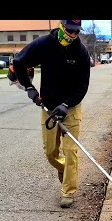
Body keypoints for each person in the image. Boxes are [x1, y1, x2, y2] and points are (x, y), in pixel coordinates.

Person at [10, 20, 91, 208]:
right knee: (50, 152)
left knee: (71, 151)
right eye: (70, 30)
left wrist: (66, 104)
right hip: (48, 107)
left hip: (71, 107)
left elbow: (83, 86)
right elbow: (19, 62)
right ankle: (64, 169)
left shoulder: (81, 51)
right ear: (62, 27)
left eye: (77, 31)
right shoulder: (44, 44)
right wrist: (29, 88)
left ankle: (68, 191)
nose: (73, 35)